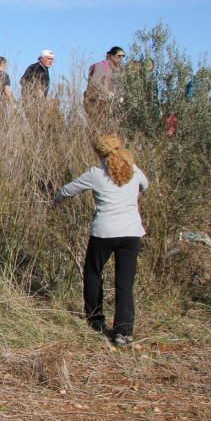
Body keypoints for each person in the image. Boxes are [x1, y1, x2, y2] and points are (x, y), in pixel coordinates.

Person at [53, 134, 148, 347]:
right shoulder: (134, 170)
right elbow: (145, 186)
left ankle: (95, 320)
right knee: (124, 282)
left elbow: (68, 190)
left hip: (104, 233)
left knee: (93, 273)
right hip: (131, 234)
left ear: (98, 152)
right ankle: (123, 332)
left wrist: (55, 199)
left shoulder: (95, 174)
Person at [84, 46, 126, 129]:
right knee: (97, 127)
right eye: (119, 56)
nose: (121, 58)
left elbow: (119, 85)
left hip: (109, 103)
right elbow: (94, 82)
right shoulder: (101, 66)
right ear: (111, 55)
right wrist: (107, 92)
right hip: (96, 101)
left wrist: (121, 96)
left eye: (123, 56)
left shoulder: (117, 69)